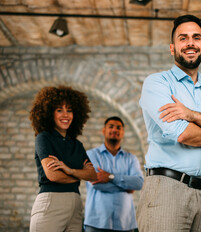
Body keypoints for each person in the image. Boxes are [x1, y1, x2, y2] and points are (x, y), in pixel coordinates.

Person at [137, 14, 201, 231]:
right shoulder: (157, 84)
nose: (190, 43)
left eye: (196, 38)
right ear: (172, 47)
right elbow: (184, 134)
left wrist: (193, 115)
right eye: (182, 38)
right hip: (167, 190)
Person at [29, 85, 97, 232]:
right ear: (49, 113)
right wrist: (79, 175)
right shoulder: (44, 138)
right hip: (51, 202)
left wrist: (69, 170)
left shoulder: (77, 144)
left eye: (69, 110)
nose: (65, 115)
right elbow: (53, 175)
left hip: (75, 205)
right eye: (59, 110)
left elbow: (92, 175)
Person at [84, 116, 144, 232]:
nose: (114, 130)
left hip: (125, 224)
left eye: (118, 127)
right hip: (97, 222)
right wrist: (126, 186)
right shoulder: (91, 155)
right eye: (111, 127)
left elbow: (139, 183)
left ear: (123, 132)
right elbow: (96, 183)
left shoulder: (131, 159)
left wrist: (111, 177)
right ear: (104, 131)